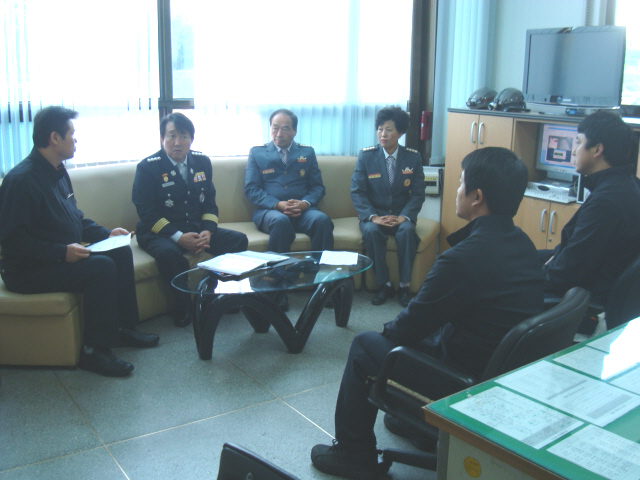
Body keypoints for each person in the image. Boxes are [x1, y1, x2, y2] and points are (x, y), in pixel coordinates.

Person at [311, 147, 544, 479]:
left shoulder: (462, 259)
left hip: (466, 384)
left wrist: (387, 332)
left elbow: (406, 329)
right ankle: (421, 427)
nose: (457, 191)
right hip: (502, 378)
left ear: (477, 197)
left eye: (460, 184)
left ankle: (353, 454)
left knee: (365, 346)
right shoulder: (523, 244)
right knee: (426, 331)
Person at [0, 106, 159, 377]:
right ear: (55, 138)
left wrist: (106, 234)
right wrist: (61, 253)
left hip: (57, 257)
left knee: (120, 251)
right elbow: (13, 243)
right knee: (100, 268)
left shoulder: (58, 171)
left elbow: (76, 219)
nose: (76, 140)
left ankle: (122, 329)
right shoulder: (21, 181)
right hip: (26, 270)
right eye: (72, 134)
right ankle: (94, 351)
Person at [133, 113, 248, 326]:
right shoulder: (148, 167)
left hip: (195, 228)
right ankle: (183, 306)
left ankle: (221, 295)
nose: (178, 142)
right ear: (162, 138)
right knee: (169, 254)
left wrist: (208, 231)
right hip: (159, 232)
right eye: (172, 136)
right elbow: (146, 212)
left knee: (238, 241)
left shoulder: (202, 162)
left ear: (191, 139)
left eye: (184, 136)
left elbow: (209, 203)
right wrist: (178, 237)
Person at [539, 111, 640, 327]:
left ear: (597, 149)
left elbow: (567, 273)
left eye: (578, 142)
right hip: (598, 287)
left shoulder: (606, 202)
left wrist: (535, 273)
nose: (573, 150)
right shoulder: (627, 186)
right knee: (527, 257)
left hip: (585, 304)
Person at [244, 109, 334, 310]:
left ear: (294, 131)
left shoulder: (307, 153)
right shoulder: (257, 153)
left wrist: (305, 203)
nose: (279, 133)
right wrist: (277, 204)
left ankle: (323, 286)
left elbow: (318, 187)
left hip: (303, 211)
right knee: (281, 221)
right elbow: (251, 189)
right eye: (275, 128)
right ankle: (278, 288)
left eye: (285, 129)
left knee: (322, 221)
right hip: (270, 211)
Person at [351, 107, 425, 307]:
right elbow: (357, 192)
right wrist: (373, 217)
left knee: (407, 232)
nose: (383, 134)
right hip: (375, 215)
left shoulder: (413, 157)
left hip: (401, 215)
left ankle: (404, 286)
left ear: (400, 133)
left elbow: (418, 194)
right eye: (380, 129)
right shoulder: (367, 156)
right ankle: (383, 285)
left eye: (389, 130)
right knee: (372, 232)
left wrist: (404, 217)